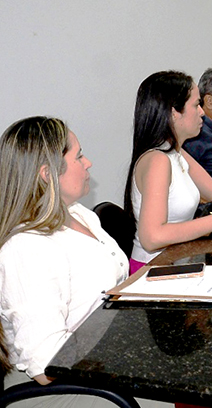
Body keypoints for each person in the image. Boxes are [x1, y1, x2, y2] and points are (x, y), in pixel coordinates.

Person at [0, 117, 168, 407]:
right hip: (64, 388)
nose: (88, 163)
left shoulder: (79, 214)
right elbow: (46, 365)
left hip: (98, 363)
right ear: (47, 174)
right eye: (78, 156)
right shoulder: (27, 248)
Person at [124, 71, 212, 273]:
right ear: (174, 112)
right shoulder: (157, 160)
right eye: (196, 105)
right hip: (153, 270)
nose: (202, 112)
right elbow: (152, 237)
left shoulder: (176, 153)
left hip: (177, 262)